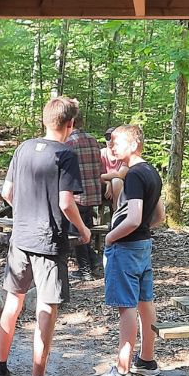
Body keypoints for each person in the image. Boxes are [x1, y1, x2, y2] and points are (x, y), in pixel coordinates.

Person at [0, 97, 92, 376]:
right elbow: (66, 202)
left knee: (13, 302)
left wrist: (25, 212)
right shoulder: (65, 154)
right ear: (70, 125)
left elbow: (7, 192)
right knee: (47, 307)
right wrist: (84, 230)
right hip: (48, 242)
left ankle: (0, 370)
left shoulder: (23, 148)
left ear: (44, 120)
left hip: (20, 238)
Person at [89, 125, 165, 376]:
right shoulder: (152, 172)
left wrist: (110, 237)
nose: (112, 147)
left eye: (118, 143)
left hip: (127, 247)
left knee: (127, 307)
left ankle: (122, 371)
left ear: (134, 145)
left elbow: (133, 218)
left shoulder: (133, 175)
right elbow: (159, 216)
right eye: (111, 143)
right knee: (145, 302)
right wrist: (141, 229)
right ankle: (146, 361)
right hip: (143, 246)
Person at [64, 102, 103, 283]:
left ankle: (85, 270)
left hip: (77, 195)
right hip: (93, 193)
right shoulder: (93, 140)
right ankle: (94, 261)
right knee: (84, 228)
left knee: (78, 231)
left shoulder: (68, 143)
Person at [100, 127, 129, 210]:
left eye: (113, 138)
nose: (110, 141)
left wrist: (103, 177)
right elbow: (94, 174)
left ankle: (117, 211)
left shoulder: (124, 155)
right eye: (107, 138)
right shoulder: (101, 153)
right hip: (102, 185)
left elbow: (121, 174)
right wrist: (107, 183)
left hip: (122, 187)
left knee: (116, 181)